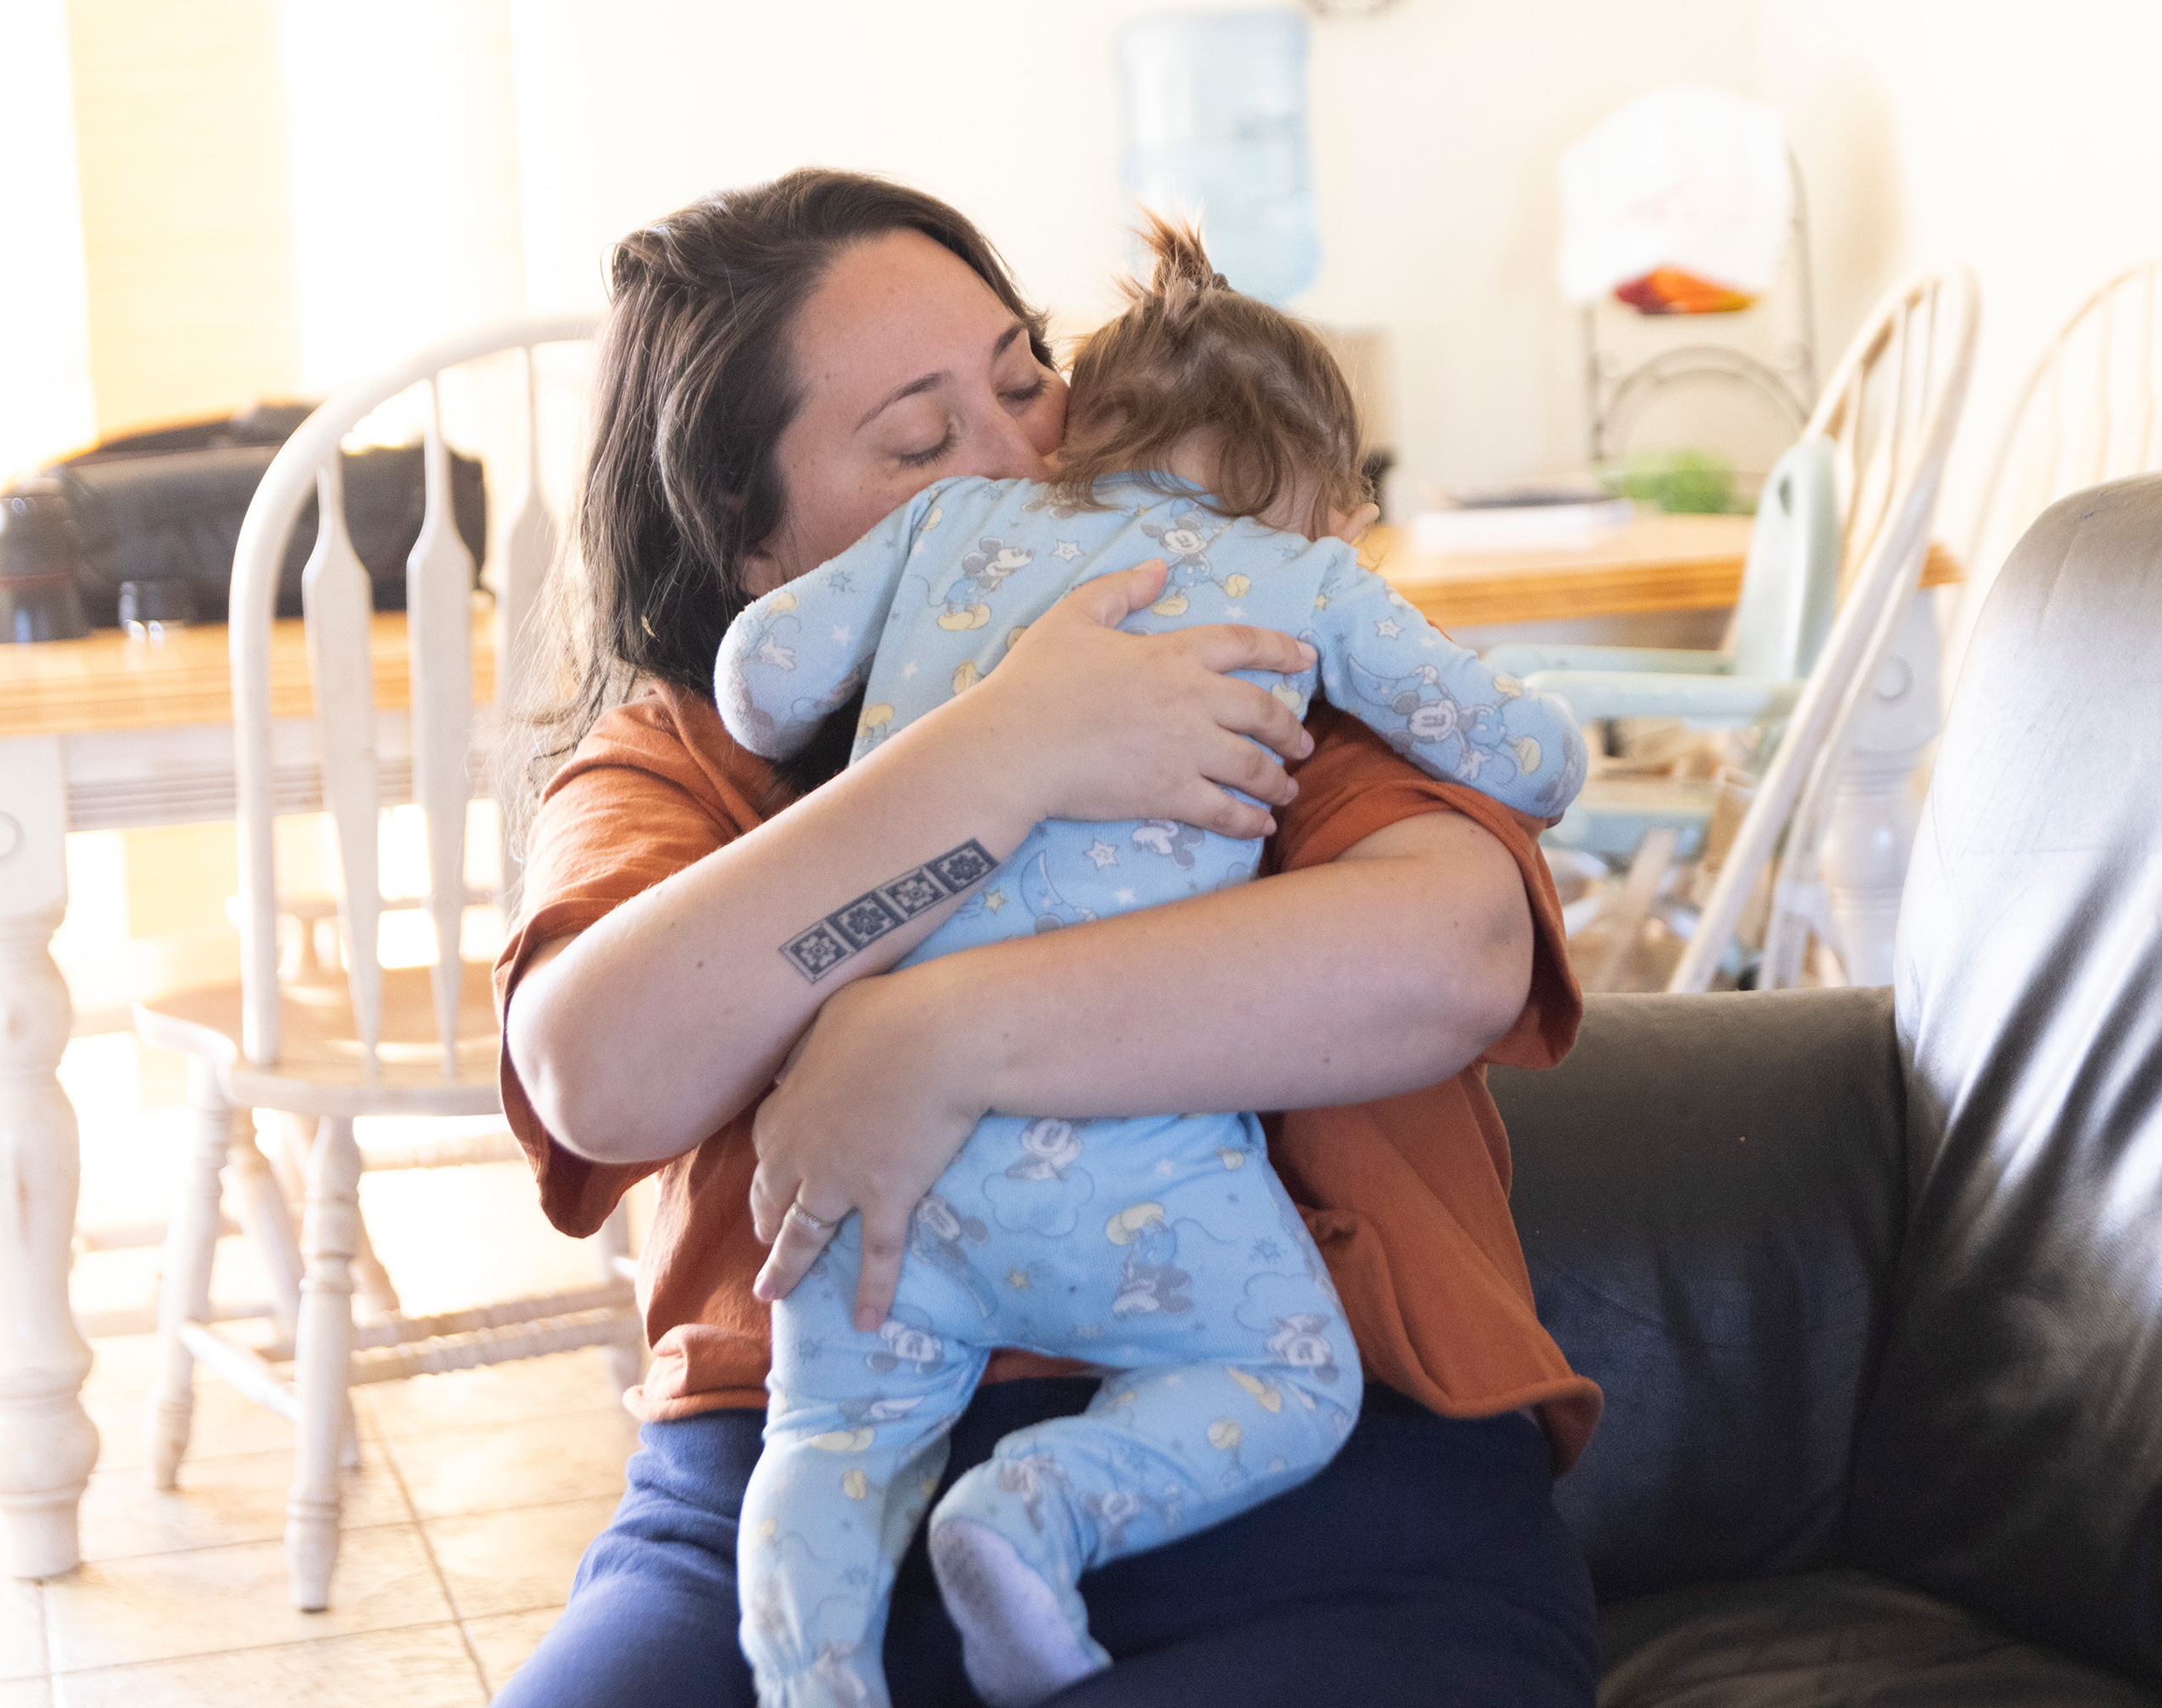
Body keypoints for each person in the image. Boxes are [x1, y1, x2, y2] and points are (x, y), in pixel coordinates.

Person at [494, 167, 1603, 1708]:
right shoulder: (682, 759)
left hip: (1306, 1489)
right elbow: (598, 1071)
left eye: (1028, 380)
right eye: (919, 440)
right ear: (755, 545)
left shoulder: (1242, 645)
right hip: (788, 1480)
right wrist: (1004, 752)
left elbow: (1449, 955)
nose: (1019, 457)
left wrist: (930, 1039)